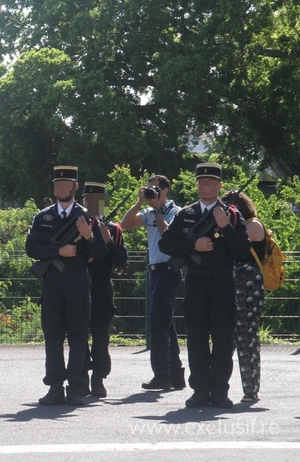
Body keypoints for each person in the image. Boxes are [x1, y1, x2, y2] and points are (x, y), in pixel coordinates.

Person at [159, 163, 250, 408]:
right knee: (197, 337)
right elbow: (166, 245)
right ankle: (200, 390)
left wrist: (226, 228)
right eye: (201, 181)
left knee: (223, 338)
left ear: (219, 185)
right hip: (196, 281)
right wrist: (193, 246)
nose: (205, 185)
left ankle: (219, 390)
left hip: (222, 281)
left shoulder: (231, 214)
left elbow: (243, 251)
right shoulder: (186, 214)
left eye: (210, 181)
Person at [26, 166, 107, 406]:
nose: (61, 188)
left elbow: (102, 253)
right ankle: (54, 386)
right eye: (57, 184)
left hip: (77, 283)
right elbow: (32, 249)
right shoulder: (43, 217)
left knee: (78, 337)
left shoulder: (89, 216)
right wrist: (58, 251)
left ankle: (76, 388)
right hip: (52, 283)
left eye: (66, 184)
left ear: (74, 187)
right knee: (53, 337)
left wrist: (89, 237)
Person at [120, 174, 186, 391]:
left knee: (157, 323)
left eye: (155, 189)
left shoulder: (178, 212)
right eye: (149, 189)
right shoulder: (147, 212)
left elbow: (167, 234)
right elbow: (125, 225)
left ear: (166, 190)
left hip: (169, 269)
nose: (152, 192)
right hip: (154, 272)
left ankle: (162, 374)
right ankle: (176, 375)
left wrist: (158, 210)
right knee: (165, 322)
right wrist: (139, 202)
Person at [81, 182, 127, 398]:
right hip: (79, 286)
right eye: (90, 202)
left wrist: (107, 241)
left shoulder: (114, 229)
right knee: (78, 336)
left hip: (101, 288)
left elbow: (120, 260)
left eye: (100, 203)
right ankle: (80, 378)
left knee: (100, 338)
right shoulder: (76, 224)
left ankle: (98, 378)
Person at [223, 190, 266, 403]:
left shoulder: (252, 225)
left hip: (248, 287)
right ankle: (219, 387)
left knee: (247, 338)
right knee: (228, 337)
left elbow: (238, 247)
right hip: (233, 285)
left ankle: (251, 389)